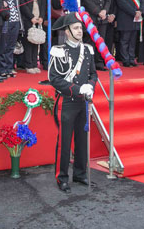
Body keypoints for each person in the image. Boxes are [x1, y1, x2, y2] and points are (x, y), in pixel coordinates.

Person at [49, 12, 97, 193]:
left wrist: (90, 86)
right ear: (67, 31)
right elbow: (54, 79)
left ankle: (80, 173)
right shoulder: (59, 50)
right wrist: (78, 89)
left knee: (82, 139)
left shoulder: (88, 49)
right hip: (67, 102)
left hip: (83, 102)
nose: (80, 31)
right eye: (76, 28)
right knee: (64, 141)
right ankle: (61, 177)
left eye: (81, 27)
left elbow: (93, 73)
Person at [81, 0, 112, 71]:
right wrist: (98, 12)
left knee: (101, 40)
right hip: (91, 17)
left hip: (102, 18)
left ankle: (99, 62)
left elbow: (108, 0)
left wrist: (104, 11)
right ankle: (89, 63)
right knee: (90, 41)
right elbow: (87, 0)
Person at [115, 0, 144, 67]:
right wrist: (134, 12)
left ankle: (132, 58)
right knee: (125, 40)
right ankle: (126, 60)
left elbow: (142, 1)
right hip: (126, 18)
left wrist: (140, 11)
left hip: (136, 19)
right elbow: (122, 4)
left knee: (133, 41)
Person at [18, 0, 45, 74]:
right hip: (28, 19)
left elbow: (42, 4)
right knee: (29, 42)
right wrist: (31, 17)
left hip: (38, 19)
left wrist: (41, 17)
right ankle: (29, 65)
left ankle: (34, 63)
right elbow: (23, 5)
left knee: (37, 41)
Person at [0, 0, 21, 78]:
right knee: (3, 45)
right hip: (6, 22)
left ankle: (9, 68)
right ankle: (2, 68)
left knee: (11, 46)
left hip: (15, 21)